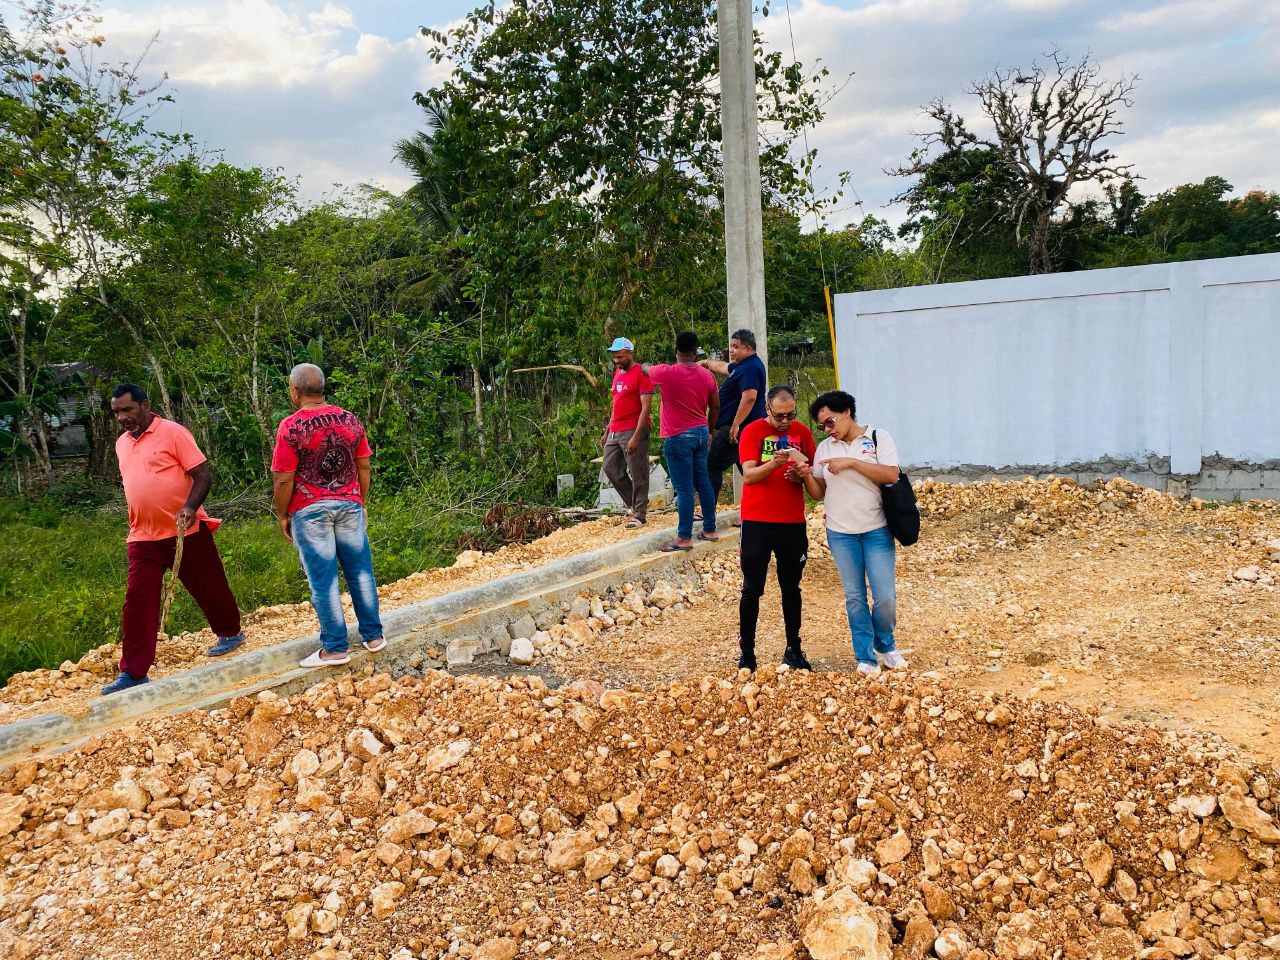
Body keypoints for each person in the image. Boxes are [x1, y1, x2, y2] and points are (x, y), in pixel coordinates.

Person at [104, 384, 245, 694]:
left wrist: (190, 507)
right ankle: (133, 672)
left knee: (209, 586)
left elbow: (203, 474)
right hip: (142, 535)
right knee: (137, 602)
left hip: (185, 530)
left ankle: (231, 633)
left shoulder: (173, 432)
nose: (123, 417)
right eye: (117, 412)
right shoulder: (121, 444)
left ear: (145, 405)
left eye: (128, 409)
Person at [271, 363, 385, 668]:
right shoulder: (350, 420)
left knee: (323, 581)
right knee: (361, 573)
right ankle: (374, 636)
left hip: (310, 511)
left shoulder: (291, 427)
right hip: (349, 504)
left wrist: (282, 514)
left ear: (295, 391)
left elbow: (283, 479)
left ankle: (334, 648)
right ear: (322, 388)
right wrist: (359, 501)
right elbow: (363, 465)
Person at [797, 390, 906, 677]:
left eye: (829, 421)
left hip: (876, 529)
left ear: (846, 412)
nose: (826, 429)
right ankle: (865, 656)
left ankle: (886, 645)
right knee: (855, 597)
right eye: (821, 425)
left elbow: (891, 474)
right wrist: (806, 475)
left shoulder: (878, 437)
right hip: (841, 533)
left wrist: (852, 462)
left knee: (885, 596)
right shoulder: (824, 448)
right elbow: (818, 493)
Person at [736, 385, 816, 672]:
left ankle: (793, 648)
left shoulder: (802, 433)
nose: (785, 421)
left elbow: (812, 473)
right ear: (767, 409)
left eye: (790, 415)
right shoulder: (752, 431)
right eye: (779, 416)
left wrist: (800, 475)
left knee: (791, 587)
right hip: (757, 520)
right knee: (752, 588)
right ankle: (747, 653)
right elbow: (749, 475)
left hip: (792, 521)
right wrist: (773, 463)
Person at [643, 331, 720, 551]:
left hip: (678, 436)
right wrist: (710, 430)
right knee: (703, 482)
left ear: (676, 351)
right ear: (696, 352)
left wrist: (646, 365)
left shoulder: (666, 372)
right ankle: (710, 530)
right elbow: (715, 406)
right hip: (701, 433)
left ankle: (684, 538)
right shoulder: (707, 376)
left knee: (684, 488)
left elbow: (645, 368)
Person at [699, 328, 767, 505]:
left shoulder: (751, 368)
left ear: (748, 348)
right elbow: (723, 367)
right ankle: (761, 508)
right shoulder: (742, 366)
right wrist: (705, 362)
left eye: (735, 347)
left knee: (711, 466)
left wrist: (735, 425)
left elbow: (749, 397)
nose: (731, 350)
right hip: (741, 429)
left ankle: (708, 510)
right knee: (749, 471)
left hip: (738, 429)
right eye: (731, 346)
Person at [600, 336, 654, 528]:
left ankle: (640, 514)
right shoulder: (617, 373)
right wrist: (607, 430)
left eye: (620, 356)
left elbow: (646, 407)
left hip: (633, 427)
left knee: (638, 470)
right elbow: (616, 404)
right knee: (610, 466)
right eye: (614, 356)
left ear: (630, 353)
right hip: (616, 428)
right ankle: (634, 503)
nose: (617, 360)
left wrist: (637, 436)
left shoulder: (641, 373)